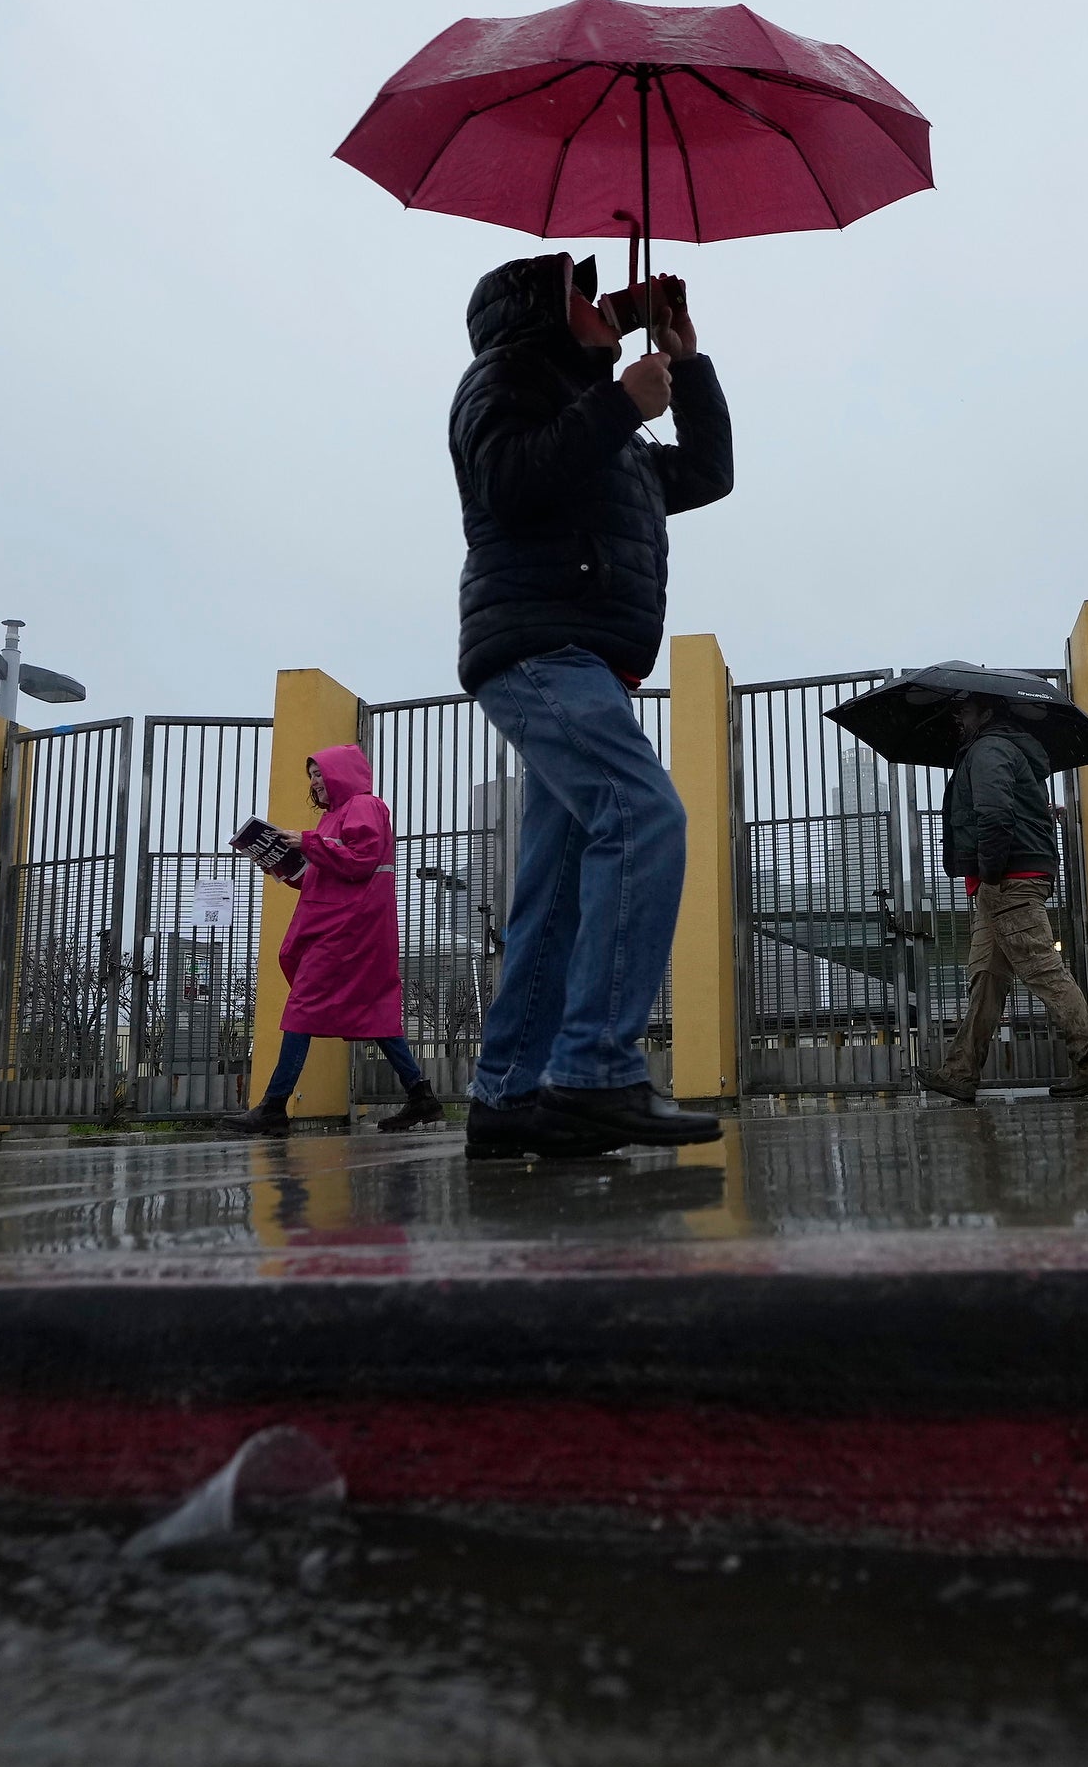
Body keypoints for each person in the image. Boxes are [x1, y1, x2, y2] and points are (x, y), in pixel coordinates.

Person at [449, 254, 732, 1159]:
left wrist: (682, 365)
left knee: (558, 887)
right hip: (540, 653)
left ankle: (508, 1096)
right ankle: (594, 1074)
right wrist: (620, 403)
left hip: (588, 669)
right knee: (643, 814)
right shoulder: (504, 379)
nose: (607, 305)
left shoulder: (608, 425)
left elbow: (710, 473)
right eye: (585, 292)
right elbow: (510, 483)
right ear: (541, 311)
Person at [223, 745, 444, 1138]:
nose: (315, 782)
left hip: (347, 930)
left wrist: (305, 842)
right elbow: (321, 874)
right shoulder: (333, 818)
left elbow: (359, 859)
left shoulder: (364, 805)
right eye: (311, 776)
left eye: (320, 774)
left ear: (341, 773)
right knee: (371, 1009)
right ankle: (420, 1095)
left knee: (304, 1005)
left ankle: (274, 1106)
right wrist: (279, 861)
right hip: (346, 926)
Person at [914, 695, 1088, 1104]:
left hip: (1008, 878)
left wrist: (990, 872)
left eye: (965, 710)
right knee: (986, 981)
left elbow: (994, 813)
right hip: (1003, 880)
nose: (959, 717)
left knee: (1043, 970)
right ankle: (960, 1072)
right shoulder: (1003, 749)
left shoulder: (989, 749)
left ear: (987, 712)